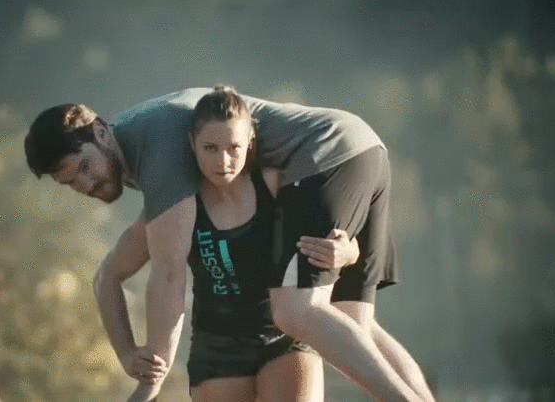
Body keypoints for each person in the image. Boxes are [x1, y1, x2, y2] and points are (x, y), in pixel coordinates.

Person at [24, 87, 435, 402]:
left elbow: (169, 274)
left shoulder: (156, 146)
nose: (86, 183)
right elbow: (111, 275)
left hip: (325, 154)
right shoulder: (136, 145)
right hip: (363, 148)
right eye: (70, 181)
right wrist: (127, 353)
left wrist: (148, 386)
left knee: (295, 310)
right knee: (351, 322)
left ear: (101, 132)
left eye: (85, 166)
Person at [94, 87, 361, 401]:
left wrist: (348, 253)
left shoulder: (275, 184)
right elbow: (106, 276)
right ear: (191, 144)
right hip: (217, 351)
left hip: (285, 339)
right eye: (210, 148)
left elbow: (343, 244)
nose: (223, 161)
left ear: (250, 142)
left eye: (234, 147)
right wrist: (126, 353)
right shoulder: (175, 208)